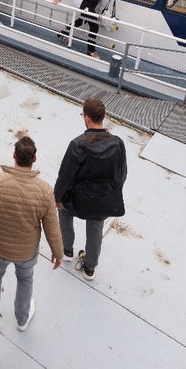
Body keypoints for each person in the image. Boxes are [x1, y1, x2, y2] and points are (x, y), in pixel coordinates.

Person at [0, 136, 63, 353]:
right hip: (26, 252)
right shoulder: (45, 191)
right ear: (35, 159)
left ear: (14, 155)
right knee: (25, 279)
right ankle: (22, 319)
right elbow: (52, 228)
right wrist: (58, 253)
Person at [53, 97, 127, 281]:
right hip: (102, 200)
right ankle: (89, 269)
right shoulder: (118, 144)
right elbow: (122, 174)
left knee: (63, 212)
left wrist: (58, 198)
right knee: (95, 229)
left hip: (77, 200)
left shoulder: (77, 145)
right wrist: (111, 194)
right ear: (103, 117)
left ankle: (67, 250)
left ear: (86, 118)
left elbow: (65, 175)